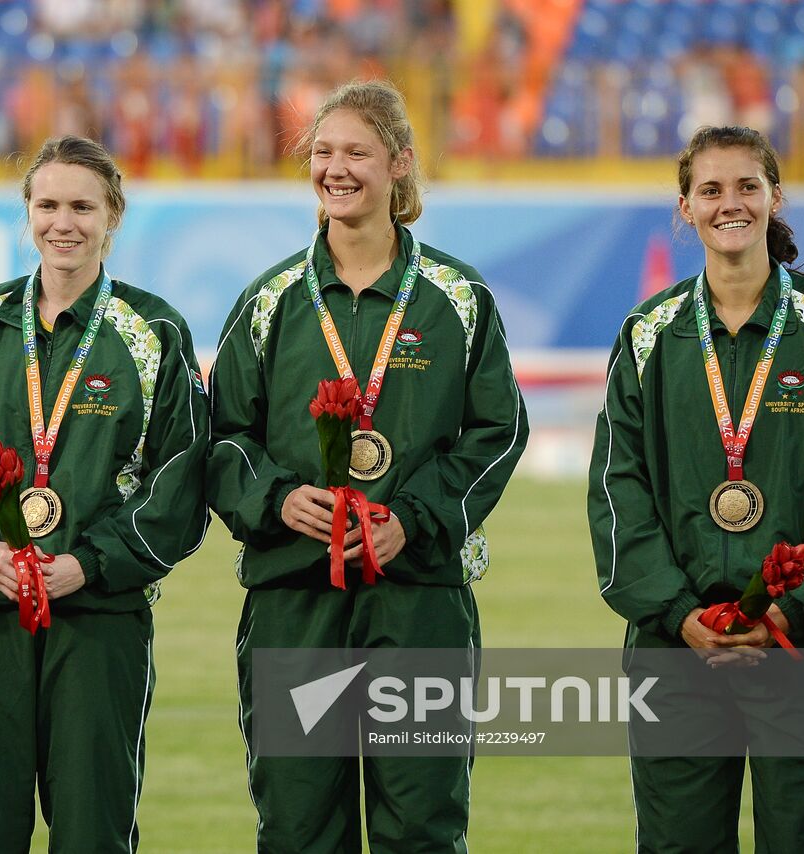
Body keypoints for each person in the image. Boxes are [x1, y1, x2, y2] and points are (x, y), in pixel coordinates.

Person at [207, 80, 528, 853]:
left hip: (417, 599)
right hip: (295, 597)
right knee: (298, 827)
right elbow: (219, 439)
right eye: (323, 152)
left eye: (357, 152)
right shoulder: (270, 300)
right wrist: (278, 500)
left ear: (401, 164)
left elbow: (498, 431)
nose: (336, 168)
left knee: (420, 826)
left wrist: (411, 523)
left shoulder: (457, 297)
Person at [0, 134, 209, 852]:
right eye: (47, 204)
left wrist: (90, 563)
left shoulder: (153, 332)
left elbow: (182, 479)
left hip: (99, 620)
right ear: (27, 213)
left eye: (82, 205)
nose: (62, 222)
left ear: (114, 216)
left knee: (93, 831)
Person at [588, 125, 804, 852]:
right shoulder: (647, 334)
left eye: (747, 186)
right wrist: (679, 610)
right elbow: (617, 483)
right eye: (710, 190)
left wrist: (791, 606)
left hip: (798, 645)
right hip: (676, 649)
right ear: (684, 208)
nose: (730, 204)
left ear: (775, 197)